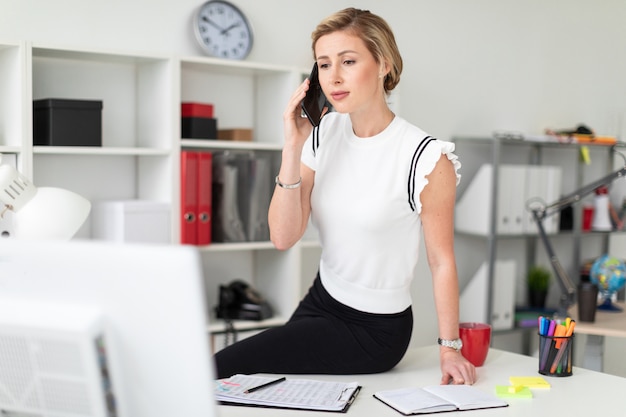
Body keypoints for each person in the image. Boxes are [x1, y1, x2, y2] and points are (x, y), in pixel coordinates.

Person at [214, 7, 476, 385]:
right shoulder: (323, 134)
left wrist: (450, 348)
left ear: (383, 64)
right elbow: (283, 236)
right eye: (323, 64)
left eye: (348, 61)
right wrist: (293, 147)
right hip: (320, 301)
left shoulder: (426, 158)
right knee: (259, 389)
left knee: (218, 370)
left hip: (375, 331)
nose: (333, 77)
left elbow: (441, 261)